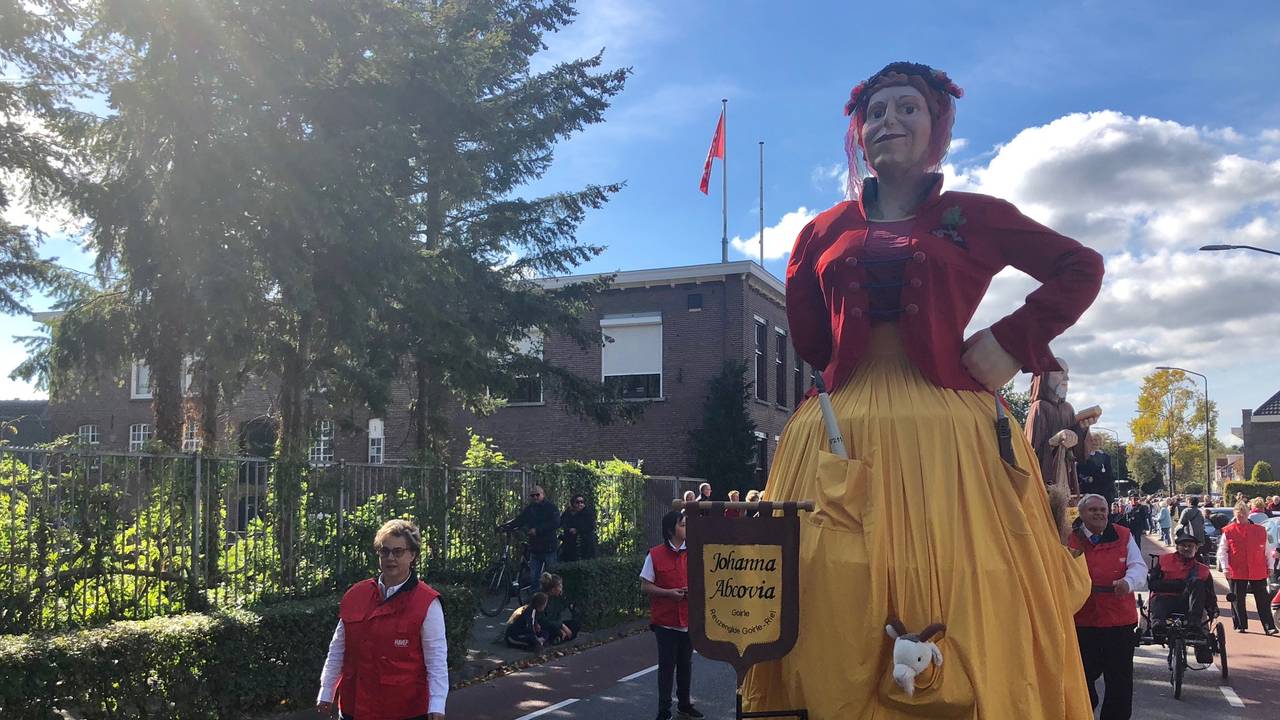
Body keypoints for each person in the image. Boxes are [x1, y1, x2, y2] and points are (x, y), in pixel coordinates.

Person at [742, 61, 1103, 719]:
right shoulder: (819, 232)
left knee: (972, 588)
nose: (889, 121)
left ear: (937, 124)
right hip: (840, 430)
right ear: (859, 133)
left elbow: (1081, 267)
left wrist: (1010, 341)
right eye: (876, 112)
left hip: (954, 438)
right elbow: (813, 341)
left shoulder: (977, 215)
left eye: (907, 107)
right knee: (824, 591)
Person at [317, 519, 447, 720]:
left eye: (398, 552)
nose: (390, 558)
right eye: (384, 551)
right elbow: (338, 649)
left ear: (412, 555)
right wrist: (327, 691)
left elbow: (436, 659)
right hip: (354, 707)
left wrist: (437, 703)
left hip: (404, 711)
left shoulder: (427, 602)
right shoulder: (356, 595)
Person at [1066, 495, 1146, 720]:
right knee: (1082, 676)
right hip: (1082, 620)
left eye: (1102, 509)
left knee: (1119, 681)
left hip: (1118, 621)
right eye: (1093, 510)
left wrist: (1128, 582)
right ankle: (1084, 710)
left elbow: (1139, 567)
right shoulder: (1069, 537)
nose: (1099, 513)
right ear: (1082, 514)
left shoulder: (1123, 535)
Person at [640, 510, 703, 720]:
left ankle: (684, 704)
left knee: (686, 665)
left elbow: (704, 581)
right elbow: (645, 585)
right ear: (670, 530)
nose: (687, 528)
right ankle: (664, 709)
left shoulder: (695, 552)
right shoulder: (655, 554)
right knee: (666, 667)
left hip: (688, 619)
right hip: (665, 621)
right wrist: (668, 593)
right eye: (682, 525)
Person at [1026, 359, 1098, 493]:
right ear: (1044, 376)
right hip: (1045, 481)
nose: (1066, 378)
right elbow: (1032, 453)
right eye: (1060, 372)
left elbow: (1078, 454)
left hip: (1066, 476)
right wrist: (1056, 440)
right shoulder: (1039, 407)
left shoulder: (1067, 408)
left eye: (1067, 373)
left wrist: (1083, 431)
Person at [1216, 503, 1278, 634]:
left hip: (1258, 569)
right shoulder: (1229, 531)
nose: (1241, 517)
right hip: (1237, 570)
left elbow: (1267, 550)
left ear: (1248, 514)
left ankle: (1269, 626)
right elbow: (1222, 551)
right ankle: (1240, 624)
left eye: (1243, 514)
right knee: (1237, 599)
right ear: (1235, 515)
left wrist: (1270, 566)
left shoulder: (1260, 530)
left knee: (1263, 600)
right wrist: (1225, 567)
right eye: (1239, 515)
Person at [1149, 530, 1217, 648]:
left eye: (1190, 546)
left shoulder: (1203, 570)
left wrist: (1213, 608)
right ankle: (1159, 628)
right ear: (1177, 547)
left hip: (1188, 604)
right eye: (1183, 545)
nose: (1187, 548)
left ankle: (1194, 626)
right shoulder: (1164, 561)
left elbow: (1210, 593)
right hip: (1165, 601)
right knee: (1157, 599)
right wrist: (1179, 584)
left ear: (1196, 549)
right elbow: (1152, 584)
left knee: (1197, 583)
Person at [500, 485, 559, 580]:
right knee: (534, 577)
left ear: (543, 495)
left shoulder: (551, 508)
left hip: (549, 547)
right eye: (532, 495)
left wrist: (538, 530)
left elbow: (555, 523)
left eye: (537, 495)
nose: (535, 497)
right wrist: (506, 526)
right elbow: (520, 520)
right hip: (535, 547)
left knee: (552, 577)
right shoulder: (529, 509)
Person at [539, 572, 581, 645]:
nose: (561, 589)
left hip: (556, 623)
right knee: (554, 631)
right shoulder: (542, 599)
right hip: (547, 626)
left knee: (575, 624)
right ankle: (557, 638)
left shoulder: (557, 598)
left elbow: (558, 614)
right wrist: (561, 626)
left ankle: (560, 638)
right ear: (553, 589)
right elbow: (544, 621)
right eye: (560, 586)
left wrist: (561, 625)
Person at [1076, 434, 1116, 503]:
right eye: (1093, 440)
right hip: (1090, 490)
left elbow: (1109, 474)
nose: (1096, 442)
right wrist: (1087, 479)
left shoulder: (1106, 457)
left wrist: (1111, 491)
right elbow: (1079, 473)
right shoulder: (1084, 456)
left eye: (1098, 440)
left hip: (1104, 492)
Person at [559, 493, 597, 562]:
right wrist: (569, 529)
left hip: (586, 543)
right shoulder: (568, 513)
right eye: (577, 502)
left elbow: (591, 526)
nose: (580, 504)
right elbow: (562, 523)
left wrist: (578, 530)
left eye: (582, 502)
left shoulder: (587, 512)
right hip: (570, 544)